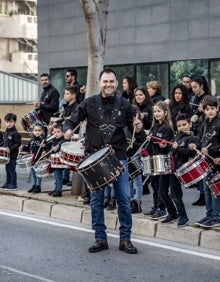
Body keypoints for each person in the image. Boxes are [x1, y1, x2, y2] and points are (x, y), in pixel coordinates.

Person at [63, 68, 139, 254]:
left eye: (112, 81)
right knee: (96, 201)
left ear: (116, 82)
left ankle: (125, 239)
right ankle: (100, 238)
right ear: (99, 83)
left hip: (119, 158)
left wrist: (139, 125)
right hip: (94, 159)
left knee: (124, 198)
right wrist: (67, 129)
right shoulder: (89, 103)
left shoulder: (125, 105)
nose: (109, 85)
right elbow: (71, 121)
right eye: (105, 81)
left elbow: (136, 129)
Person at [145, 101, 176, 221]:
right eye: (155, 111)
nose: (156, 114)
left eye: (159, 111)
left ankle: (161, 208)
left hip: (162, 159)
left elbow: (169, 145)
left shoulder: (167, 128)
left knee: (160, 186)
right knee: (154, 184)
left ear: (166, 112)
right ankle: (156, 206)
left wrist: (164, 145)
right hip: (153, 158)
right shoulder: (155, 126)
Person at [167, 114, 200, 227]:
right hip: (173, 169)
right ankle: (175, 214)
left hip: (184, 169)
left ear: (190, 124)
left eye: (184, 124)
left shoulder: (193, 138)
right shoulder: (177, 137)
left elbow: (190, 153)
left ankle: (183, 217)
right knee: (172, 194)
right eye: (179, 126)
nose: (182, 127)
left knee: (175, 194)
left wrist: (178, 148)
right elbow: (171, 150)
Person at [195, 96, 220, 228]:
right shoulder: (204, 125)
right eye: (207, 109)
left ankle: (217, 216)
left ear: (217, 109)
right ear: (204, 110)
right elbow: (201, 141)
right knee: (206, 188)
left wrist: (216, 153)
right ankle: (209, 214)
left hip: (217, 162)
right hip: (206, 162)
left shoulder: (219, 124)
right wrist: (197, 147)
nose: (210, 111)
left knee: (215, 190)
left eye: (212, 108)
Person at [57, 85, 79, 186]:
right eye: (65, 93)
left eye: (67, 94)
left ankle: (72, 179)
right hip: (65, 133)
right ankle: (65, 177)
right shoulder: (67, 106)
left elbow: (74, 120)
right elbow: (65, 118)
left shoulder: (77, 107)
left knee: (73, 158)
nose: (65, 96)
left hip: (74, 135)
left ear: (73, 95)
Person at [21, 123, 47, 193]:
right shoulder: (32, 140)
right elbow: (28, 148)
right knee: (33, 173)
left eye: (39, 130)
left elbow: (47, 149)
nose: (37, 132)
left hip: (38, 159)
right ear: (33, 131)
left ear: (42, 131)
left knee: (38, 173)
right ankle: (34, 185)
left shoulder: (43, 140)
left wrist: (44, 147)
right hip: (32, 159)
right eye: (35, 130)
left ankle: (38, 186)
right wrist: (23, 147)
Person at [1, 113, 21, 190]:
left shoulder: (15, 133)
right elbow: (4, 141)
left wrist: (10, 149)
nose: (9, 124)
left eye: (11, 122)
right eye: (7, 122)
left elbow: (18, 144)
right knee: (7, 169)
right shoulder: (6, 132)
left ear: (14, 122)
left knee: (12, 169)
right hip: (6, 155)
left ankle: (13, 184)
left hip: (13, 155)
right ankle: (8, 182)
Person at [48, 124, 66, 197]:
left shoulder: (63, 140)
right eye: (55, 132)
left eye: (58, 132)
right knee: (56, 176)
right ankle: (56, 189)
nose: (56, 134)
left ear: (63, 132)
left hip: (60, 161)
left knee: (59, 176)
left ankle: (59, 190)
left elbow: (64, 149)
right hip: (54, 160)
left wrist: (58, 148)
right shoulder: (54, 140)